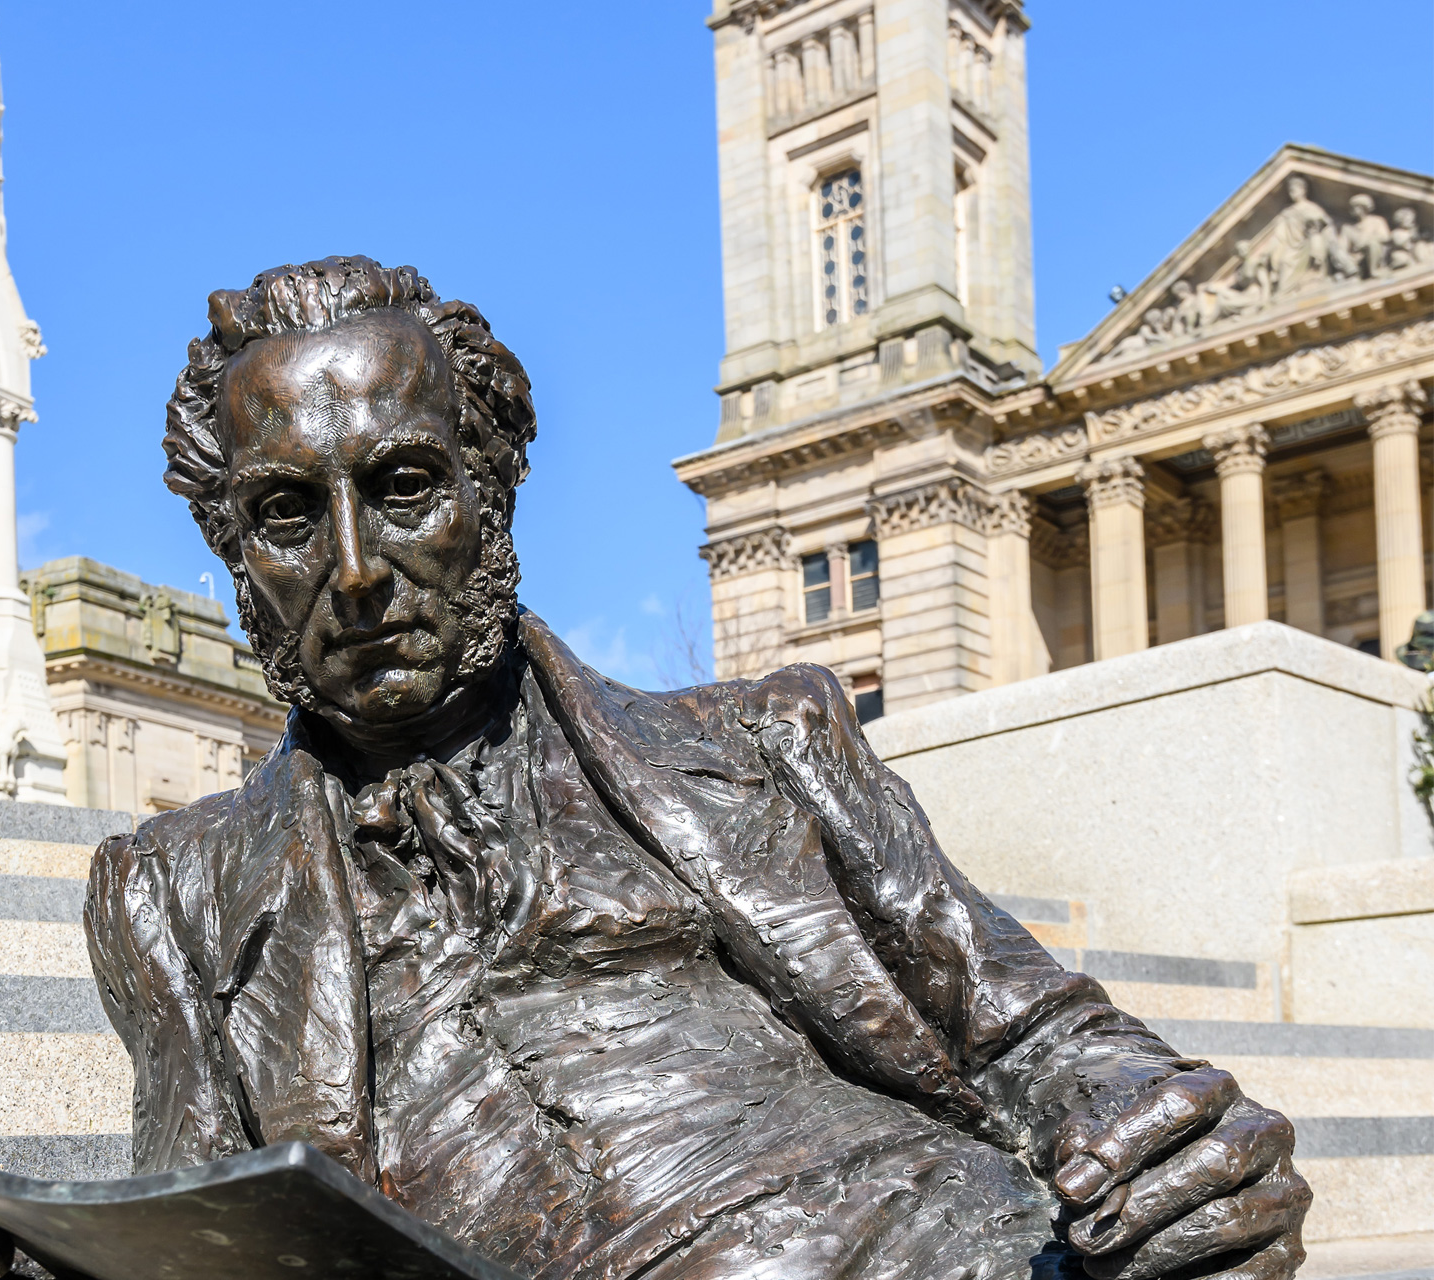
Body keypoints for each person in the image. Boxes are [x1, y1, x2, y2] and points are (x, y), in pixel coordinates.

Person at [87, 258, 1310, 1280]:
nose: (353, 569)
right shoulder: (171, 888)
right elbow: (198, 1211)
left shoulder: (767, 743)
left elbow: (1041, 1039)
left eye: (403, 487)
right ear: (235, 551)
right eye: (289, 514)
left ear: (489, 493)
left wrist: (1173, 1142)